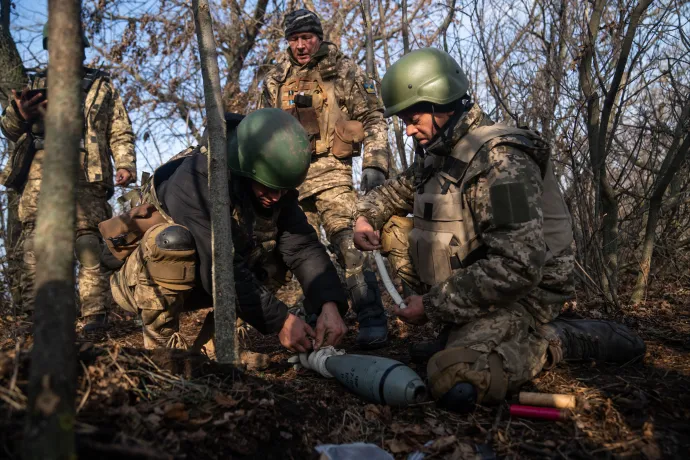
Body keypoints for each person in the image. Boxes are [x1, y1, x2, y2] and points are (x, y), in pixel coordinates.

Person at [353, 48, 646, 411]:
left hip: (527, 292)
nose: (409, 130)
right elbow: (390, 193)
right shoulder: (440, 153)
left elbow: (519, 267)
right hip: (480, 286)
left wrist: (431, 306)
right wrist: (366, 216)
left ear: (440, 103)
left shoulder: (502, 161)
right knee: (394, 226)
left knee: (457, 379)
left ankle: (559, 339)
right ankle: (458, 332)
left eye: (413, 118)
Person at [104, 109, 348, 353]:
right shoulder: (195, 181)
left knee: (271, 251)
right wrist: (281, 321)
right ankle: (163, 352)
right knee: (174, 241)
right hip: (140, 281)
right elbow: (219, 266)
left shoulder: (273, 188)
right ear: (246, 166)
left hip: (206, 279)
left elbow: (302, 247)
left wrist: (329, 303)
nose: (276, 197)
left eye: (283, 189)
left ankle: (219, 344)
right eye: (269, 187)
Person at [259, 9, 391, 348]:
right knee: (301, 255)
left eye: (307, 38)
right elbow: (258, 129)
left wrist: (375, 164)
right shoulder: (275, 79)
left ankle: (372, 317)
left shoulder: (342, 70)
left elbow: (374, 116)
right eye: (294, 39)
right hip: (289, 181)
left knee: (349, 243)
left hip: (332, 171)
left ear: (319, 36)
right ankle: (320, 317)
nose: (301, 46)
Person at [0, 24, 136, 331]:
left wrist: (125, 163)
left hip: (87, 176)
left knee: (88, 243)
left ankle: (93, 317)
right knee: (37, 245)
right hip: (40, 176)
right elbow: (8, 129)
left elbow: (120, 130)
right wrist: (19, 114)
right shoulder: (33, 83)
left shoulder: (101, 85)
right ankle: (39, 318)